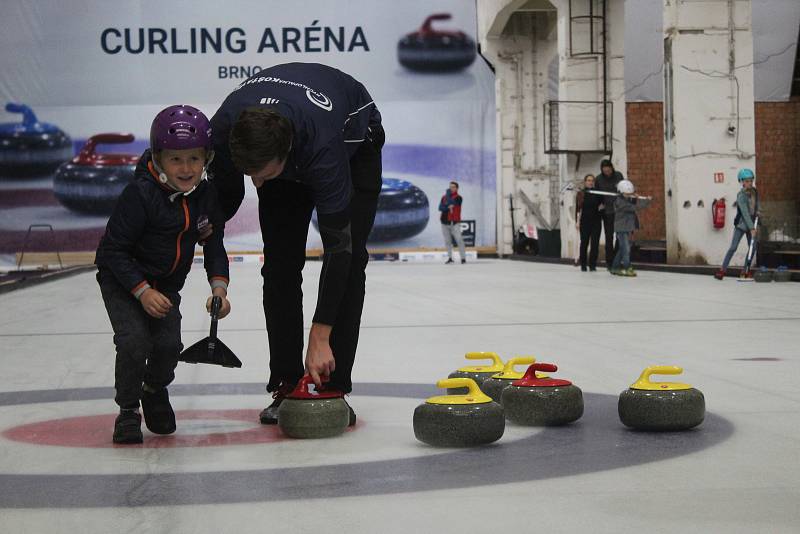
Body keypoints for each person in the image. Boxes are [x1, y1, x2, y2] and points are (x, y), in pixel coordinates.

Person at [209, 62, 384, 425]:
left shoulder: (323, 151)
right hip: (283, 146)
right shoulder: (224, 128)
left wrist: (320, 335)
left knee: (351, 264)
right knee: (279, 267)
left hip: (354, 142)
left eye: (264, 174)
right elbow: (222, 202)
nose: (256, 182)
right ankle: (287, 382)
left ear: (287, 152)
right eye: (250, 174)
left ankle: (332, 383)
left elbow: (341, 251)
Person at [95, 105, 232, 444]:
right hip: (123, 280)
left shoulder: (205, 194)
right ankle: (128, 411)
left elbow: (213, 242)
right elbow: (112, 250)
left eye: (194, 159)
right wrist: (141, 291)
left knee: (169, 345)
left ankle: (153, 389)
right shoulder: (140, 195)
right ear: (157, 158)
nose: (186, 168)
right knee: (135, 341)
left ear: (207, 159)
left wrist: (219, 288)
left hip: (166, 285)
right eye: (175, 159)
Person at [714, 168, 759, 280]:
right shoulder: (741, 195)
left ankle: (745, 271)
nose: (749, 183)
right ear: (742, 182)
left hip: (752, 224)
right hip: (741, 225)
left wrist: (759, 215)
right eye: (747, 181)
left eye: (750, 180)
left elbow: (757, 206)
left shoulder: (755, 192)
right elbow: (745, 213)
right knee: (733, 247)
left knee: (753, 248)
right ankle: (722, 270)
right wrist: (752, 228)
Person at [610, 179, 651, 277]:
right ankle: (627, 267)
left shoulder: (625, 199)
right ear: (620, 192)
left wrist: (635, 197)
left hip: (627, 227)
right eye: (627, 193)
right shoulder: (621, 202)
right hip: (622, 228)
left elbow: (633, 203)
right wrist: (646, 200)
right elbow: (636, 207)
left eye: (630, 193)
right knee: (626, 249)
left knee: (622, 248)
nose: (629, 195)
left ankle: (615, 267)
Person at [596, 159, 624, 269]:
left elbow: (623, 190)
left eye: (609, 170)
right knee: (609, 237)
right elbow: (598, 194)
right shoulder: (599, 179)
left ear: (612, 168)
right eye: (605, 171)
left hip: (619, 211)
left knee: (620, 236)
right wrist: (600, 204)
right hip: (607, 212)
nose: (607, 172)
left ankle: (617, 260)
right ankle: (609, 261)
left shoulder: (618, 175)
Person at [575, 174, 602, 271]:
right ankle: (583, 264)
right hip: (585, 221)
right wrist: (577, 222)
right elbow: (578, 209)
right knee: (584, 243)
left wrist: (602, 207)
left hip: (596, 221)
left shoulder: (598, 193)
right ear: (585, 182)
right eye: (588, 180)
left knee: (595, 243)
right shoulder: (581, 193)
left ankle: (593, 264)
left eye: (592, 180)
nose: (590, 182)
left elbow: (602, 206)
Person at [439, 181, 467, 264]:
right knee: (447, 241)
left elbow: (452, 203)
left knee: (459, 240)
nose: (451, 188)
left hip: (454, 222)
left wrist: (447, 204)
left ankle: (463, 258)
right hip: (444, 222)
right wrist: (447, 206)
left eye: (453, 187)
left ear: (457, 188)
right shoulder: (443, 197)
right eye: (450, 187)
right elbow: (440, 208)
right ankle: (450, 257)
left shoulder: (459, 197)